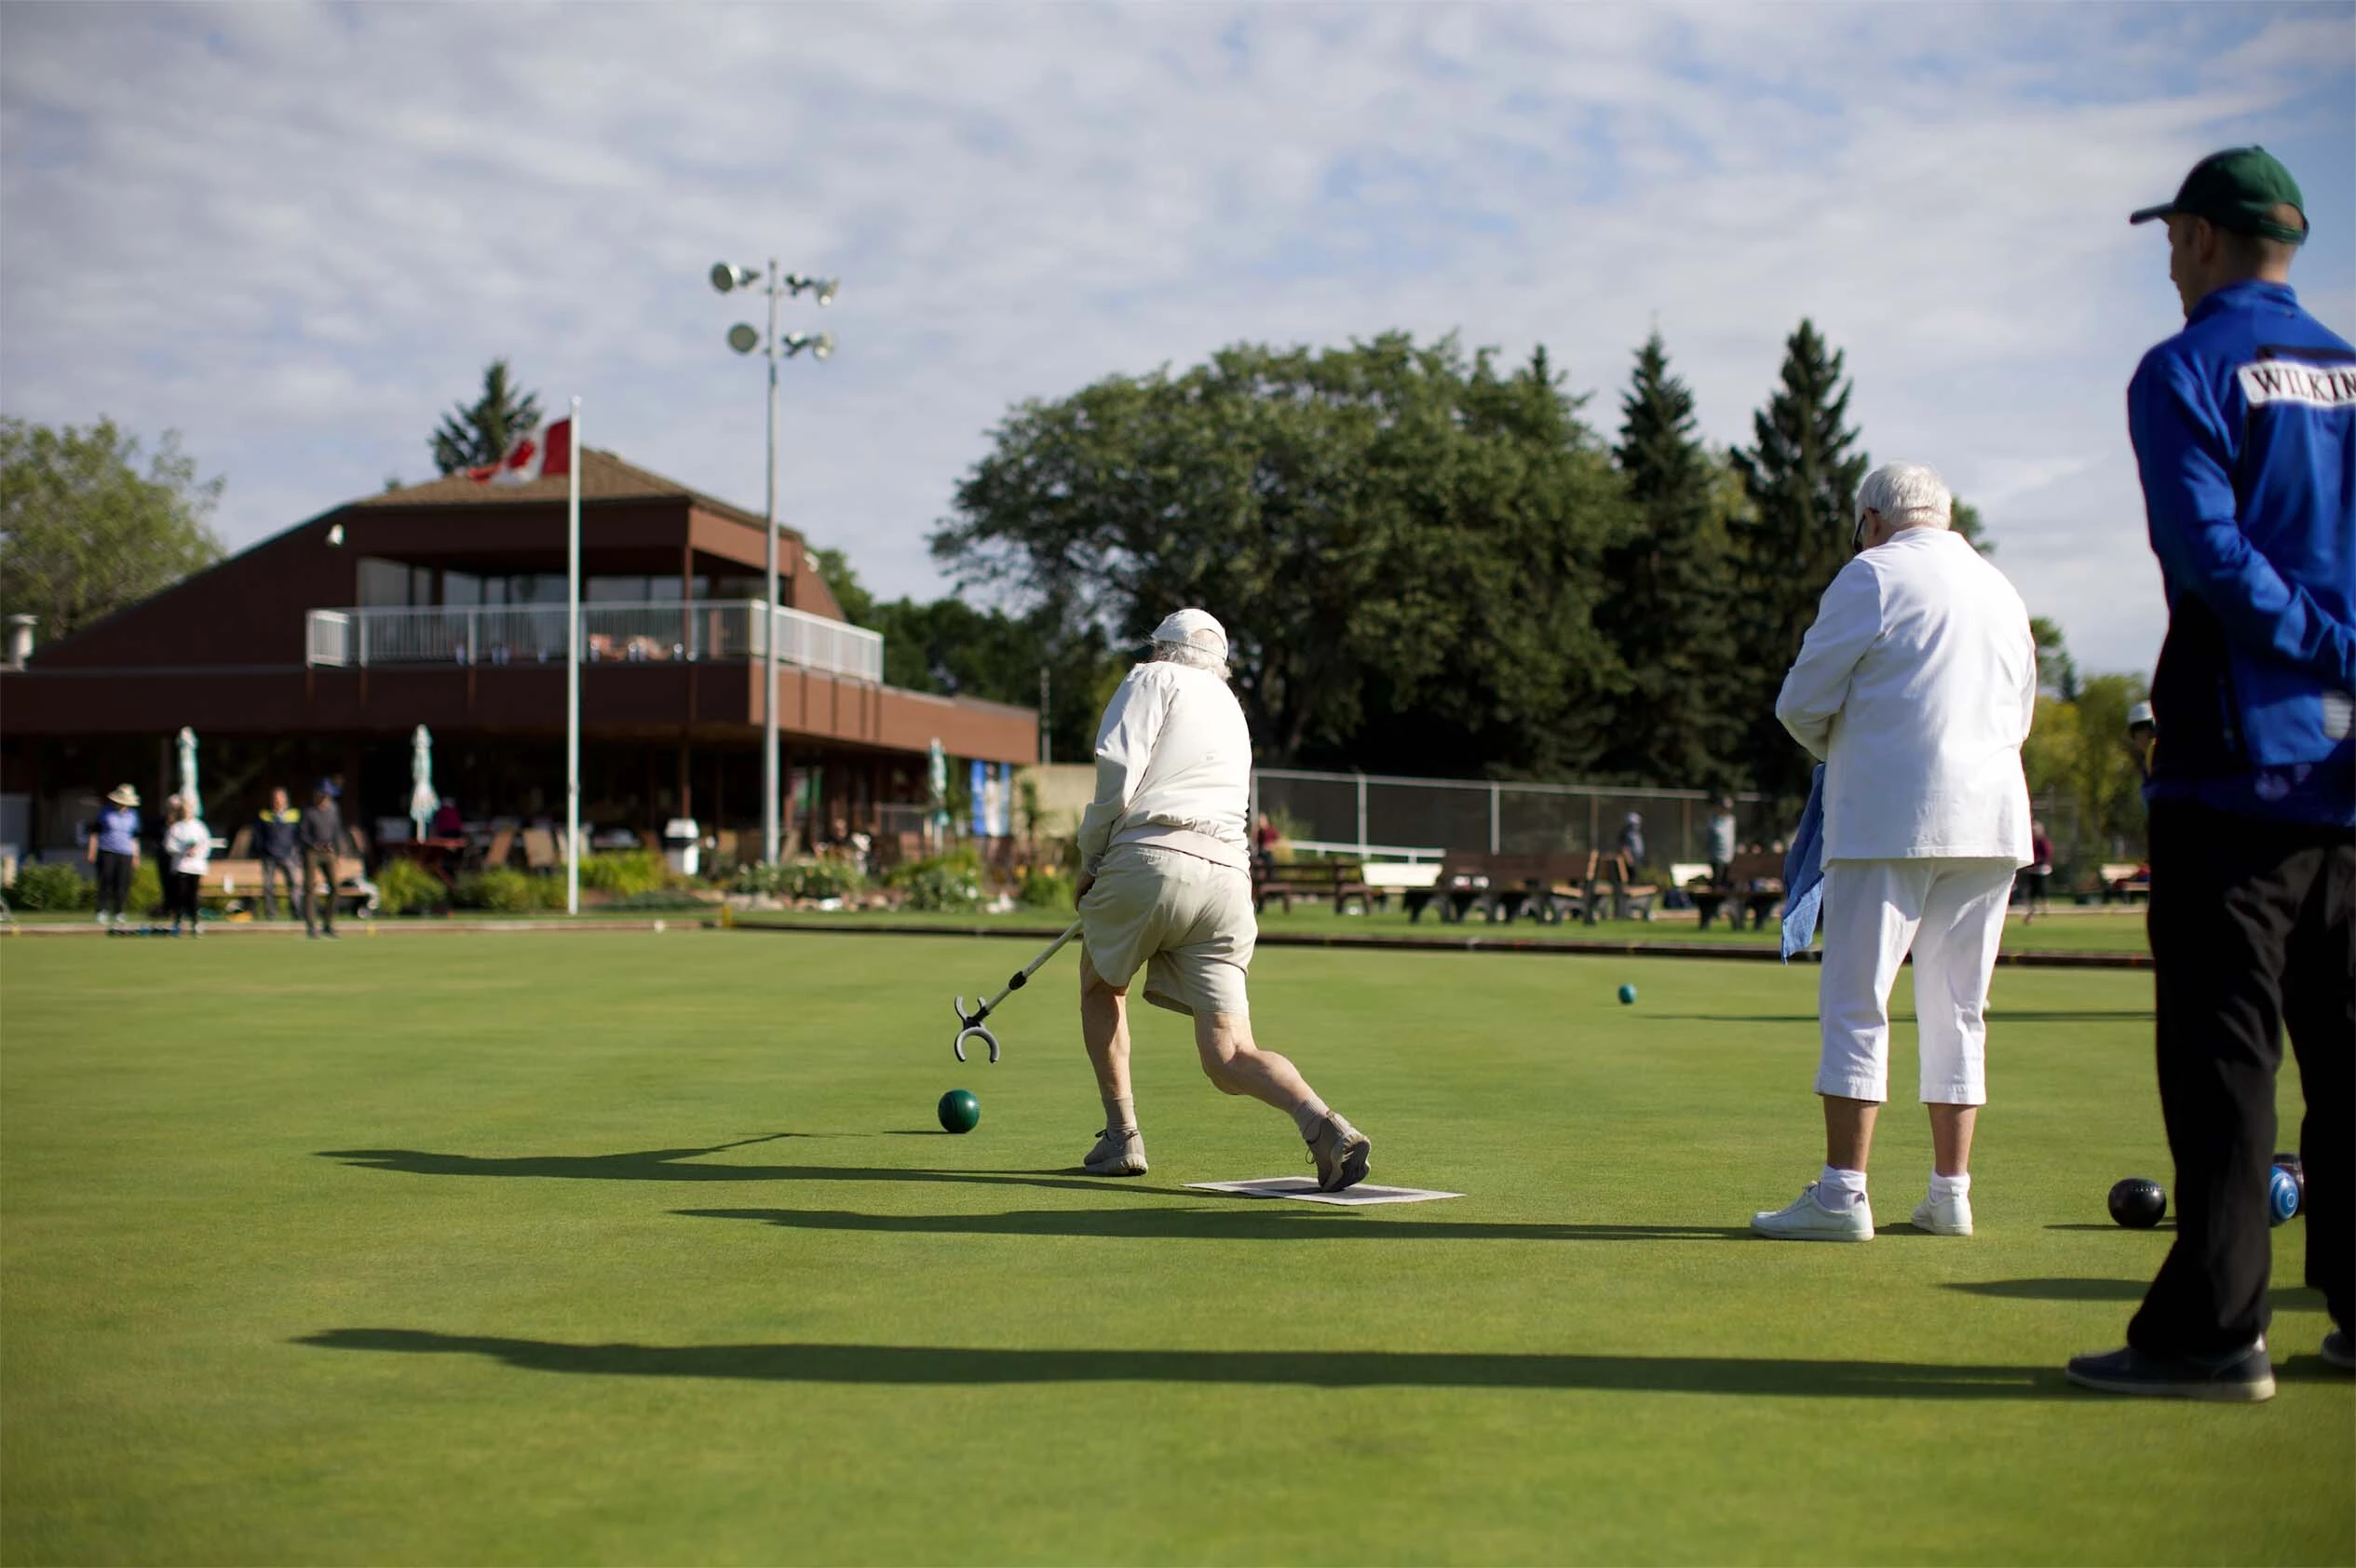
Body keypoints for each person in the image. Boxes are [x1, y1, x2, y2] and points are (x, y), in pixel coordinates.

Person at [2067, 147, 2352, 1401]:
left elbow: (2208, 554)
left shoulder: (2181, 368)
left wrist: (2324, 647)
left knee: (2224, 1060)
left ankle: (2214, 1331)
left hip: (2235, 770)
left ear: (2194, 240)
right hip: (2347, 776)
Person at [1750, 462, 2037, 1243]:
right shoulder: (2001, 589)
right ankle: (1950, 1194)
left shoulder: (1870, 575)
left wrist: (1841, 755)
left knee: (1856, 1000)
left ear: (1871, 519)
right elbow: (2020, 715)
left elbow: (1800, 701)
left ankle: (1843, 1194)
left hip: (1887, 816)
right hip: (1991, 819)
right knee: (1959, 1009)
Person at [1073, 609, 1371, 1188]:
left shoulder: (1149, 678)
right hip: (1229, 880)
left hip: (1150, 859)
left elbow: (1116, 770)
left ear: (1162, 649)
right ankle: (1321, 1122)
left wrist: (1091, 857)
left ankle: (1121, 1136)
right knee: (1229, 1054)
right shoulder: (1233, 709)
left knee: (1101, 985)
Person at [88, 784, 141, 926]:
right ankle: (101, 911)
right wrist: (92, 851)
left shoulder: (133, 816)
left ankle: (119, 912)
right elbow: (95, 832)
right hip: (107, 851)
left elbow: (134, 837)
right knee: (105, 881)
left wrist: (136, 856)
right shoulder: (105, 813)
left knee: (122, 883)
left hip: (125, 852)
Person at [298, 783, 345, 939]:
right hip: (312, 853)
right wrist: (313, 844)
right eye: (323, 796)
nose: (325, 799)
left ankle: (328, 923)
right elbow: (302, 834)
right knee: (310, 888)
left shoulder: (333, 810)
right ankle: (311, 925)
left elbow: (337, 830)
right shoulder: (308, 811)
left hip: (329, 852)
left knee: (335, 887)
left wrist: (338, 850)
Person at [162, 794, 210, 937]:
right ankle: (177, 922)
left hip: (196, 867)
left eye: (189, 810)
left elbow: (206, 844)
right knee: (180, 895)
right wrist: (183, 850)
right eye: (185, 810)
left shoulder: (199, 826)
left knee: (193, 896)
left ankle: (196, 922)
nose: (187, 812)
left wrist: (196, 851)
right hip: (181, 866)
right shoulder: (176, 827)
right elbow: (169, 845)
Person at [255, 789, 301, 921]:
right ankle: (271, 914)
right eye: (275, 798)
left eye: (280, 797)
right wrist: (262, 851)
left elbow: (298, 835)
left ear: (285, 799)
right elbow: (258, 836)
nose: (278, 800)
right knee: (268, 887)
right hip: (269, 856)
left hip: (288, 856)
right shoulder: (265, 815)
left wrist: (295, 851)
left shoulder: (294, 815)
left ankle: (297, 913)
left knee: (294, 885)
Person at [2023, 820, 2055, 923]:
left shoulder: (2044, 842)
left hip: (2042, 870)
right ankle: (2031, 910)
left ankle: (2045, 908)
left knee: (2042, 889)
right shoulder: (2032, 842)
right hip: (2033, 870)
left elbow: (2046, 856)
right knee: (2031, 891)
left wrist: (2035, 862)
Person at [1706, 798, 1738, 888]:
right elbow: (1710, 838)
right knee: (1716, 881)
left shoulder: (1731, 820)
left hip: (1728, 856)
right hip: (1715, 856)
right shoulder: (1712, 821)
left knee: (1726, 881)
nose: (1725, 810)